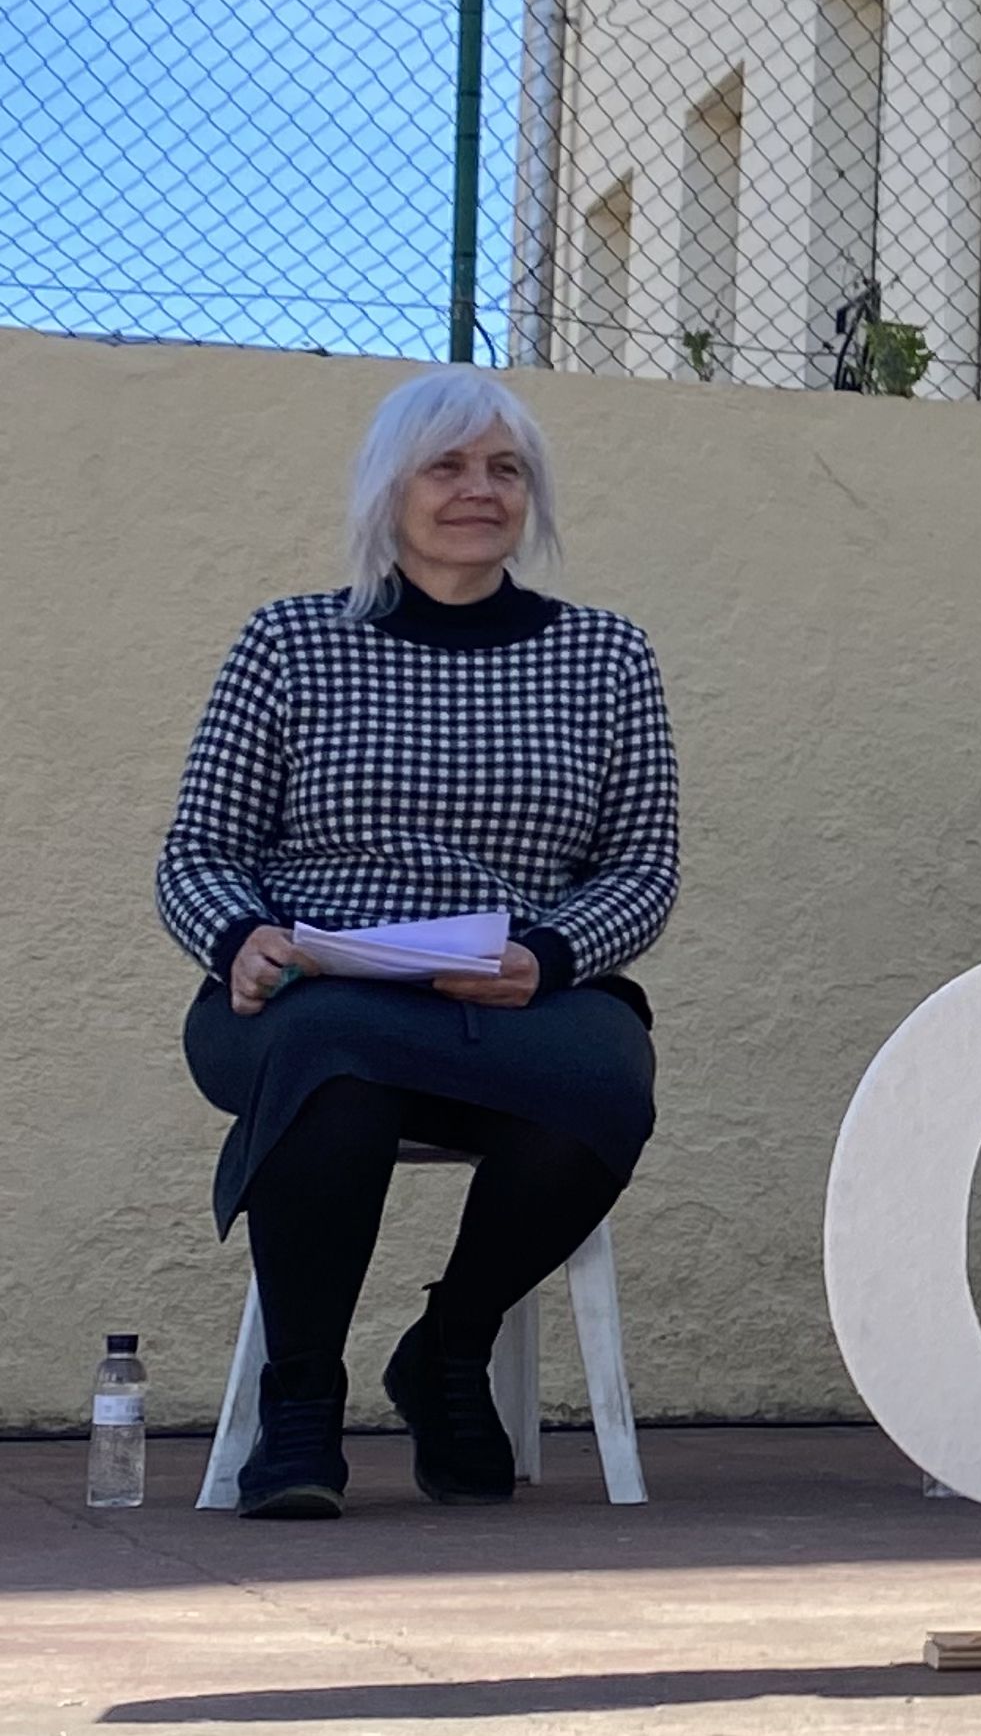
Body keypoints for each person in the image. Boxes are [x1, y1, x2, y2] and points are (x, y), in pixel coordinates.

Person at [159, 370, 681, 1519]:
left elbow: (642, 868)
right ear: (389, 491)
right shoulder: (289, 643)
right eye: (447, 467)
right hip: (309, 994)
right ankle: (299, 1403)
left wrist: (546, 956)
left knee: (608, 1071)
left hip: (511, 999)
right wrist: (240, 936)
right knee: (336, 1056)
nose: (477, 491)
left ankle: (450, 1347)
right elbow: (198, 850)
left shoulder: (605, 658)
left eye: (504, 469)